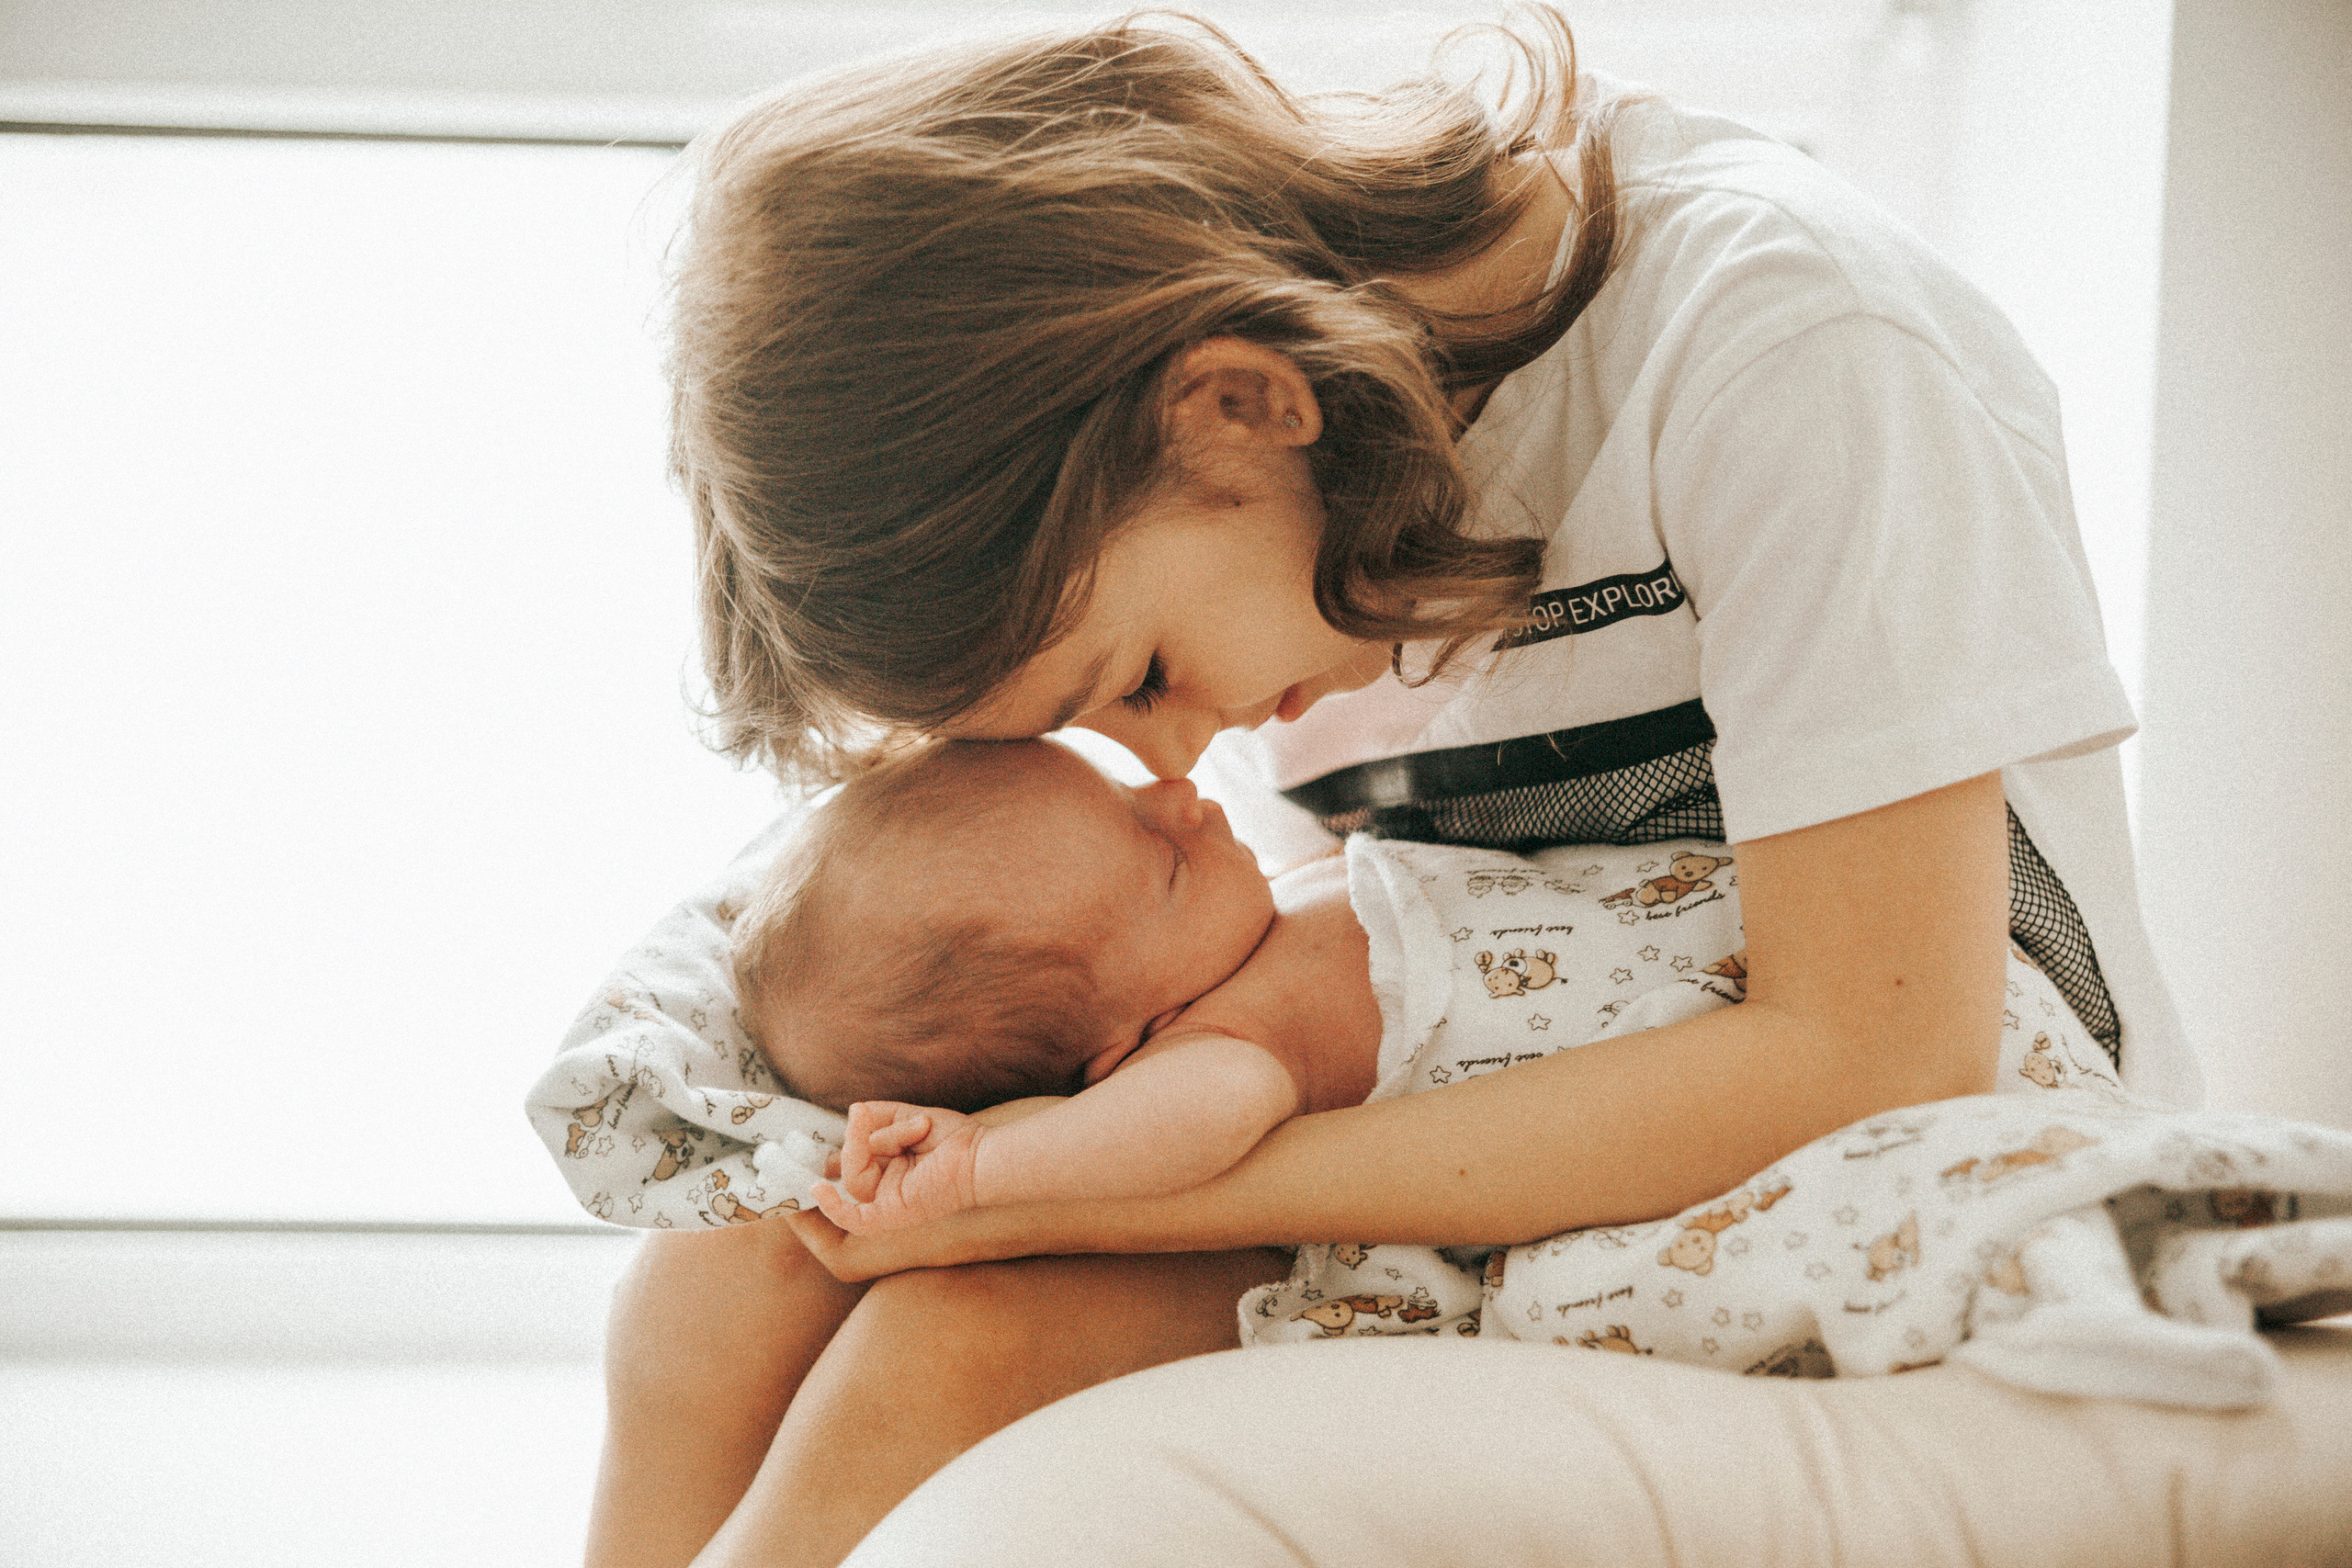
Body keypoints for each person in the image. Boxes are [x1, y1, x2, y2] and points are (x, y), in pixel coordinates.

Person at [583, 11, 2195, 1567]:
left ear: (1239, 405)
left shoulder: (1783, 340)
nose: (1177, 762)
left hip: (1842, 1148)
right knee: (716, 1279)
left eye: (1140, 676)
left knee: (956, 1347)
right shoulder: (1277, 523)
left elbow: (1871, 1058)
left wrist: (1076, 1206)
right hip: (1463, 1114)